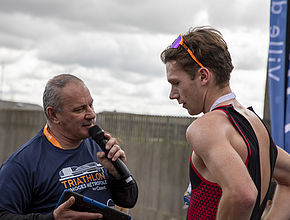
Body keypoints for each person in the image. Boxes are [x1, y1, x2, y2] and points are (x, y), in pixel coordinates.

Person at [160, 26, 290, 220]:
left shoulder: (207, 127)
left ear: (203, 76)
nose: (172, 95)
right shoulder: (255, 124)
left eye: (176, 83)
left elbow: (243, 195)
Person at [0, 74, 138, 220]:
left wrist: (117, 175)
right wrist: (52, 219)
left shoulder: (100, 146)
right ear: (53, 115)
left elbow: (128, 201)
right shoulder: (22, 163)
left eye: (91, 105)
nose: (91, 114)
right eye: (80, 109)